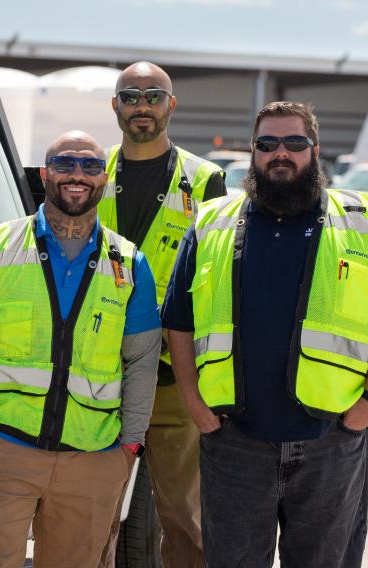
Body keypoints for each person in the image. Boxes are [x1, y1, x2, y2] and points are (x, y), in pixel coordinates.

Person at [163, 101, 368, 567]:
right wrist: (195, 405)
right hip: (235, 443)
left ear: (314, 150)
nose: (281, 153)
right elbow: (178, 321)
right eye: (267, 144)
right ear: (254, 153)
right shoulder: (210, 223)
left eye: (294, 143)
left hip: (331, 443)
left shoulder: (362, 223)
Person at [0, 131, 161, 568]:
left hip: (94, 457)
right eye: (64, 164)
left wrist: (129, 448)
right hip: (5, 448)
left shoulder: (130, 263)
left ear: (105, 179)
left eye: (90, 166)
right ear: (45, 174)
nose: (77, 175)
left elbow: (142, 360)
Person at [99, 61, 226, 567]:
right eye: (130, 96)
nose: (142, 106)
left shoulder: (205, 181)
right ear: (115, 106)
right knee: (93, 517)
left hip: (176, 380)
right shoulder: (91, 170)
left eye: (153, 96)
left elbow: (219, 287)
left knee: (187, 521)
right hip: (101, 378)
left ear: (171, 105)